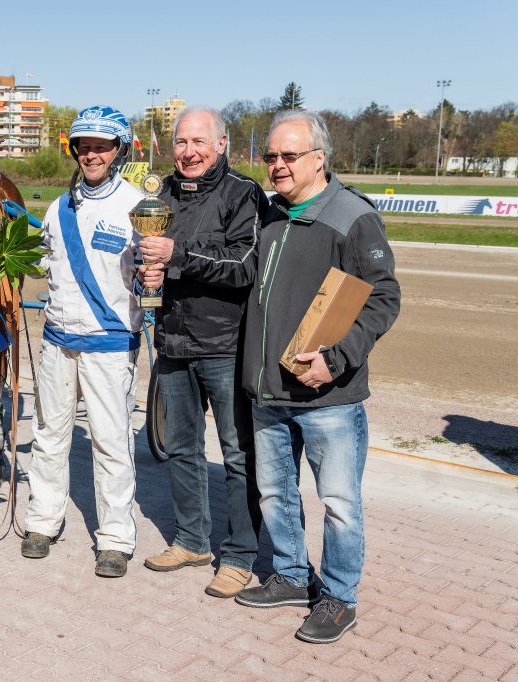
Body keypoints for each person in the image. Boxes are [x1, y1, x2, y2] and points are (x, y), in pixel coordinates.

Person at [234, 110, 400, 644]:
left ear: (319, 158)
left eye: (289, 156)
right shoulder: (270, 215)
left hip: (328, 394)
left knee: (339, 505)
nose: (277, 166)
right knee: (275, 494)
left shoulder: (352, 216)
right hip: (269, 391)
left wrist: (339, 355)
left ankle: (339, 596)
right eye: (271, 157)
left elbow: (383, 296)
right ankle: (288, 574)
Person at [138, 107, 267, 598]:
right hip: (173, 340)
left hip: (224, 345)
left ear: (221, 144)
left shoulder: (243, 193)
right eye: (180, 142)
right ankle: (192, 539)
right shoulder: (161, 194)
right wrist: (144, 271)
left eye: (198, 142)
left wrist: (177, 257)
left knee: (238, 454)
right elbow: (147, 253)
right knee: (182, 449)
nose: (188, 152)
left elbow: (243, 265)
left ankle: (238, 554)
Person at [20, 105, 144, 578]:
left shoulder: (139, 206)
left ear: (118, 150)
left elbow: (152, 276)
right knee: (49, 436)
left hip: (110, 345)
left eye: (101, 147)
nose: (91, 155)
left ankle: (114, 538)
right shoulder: (57, 207)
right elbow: (46, 269)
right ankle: (42, 521)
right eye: (84, 147)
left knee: (110, 442)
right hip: (57, 341)